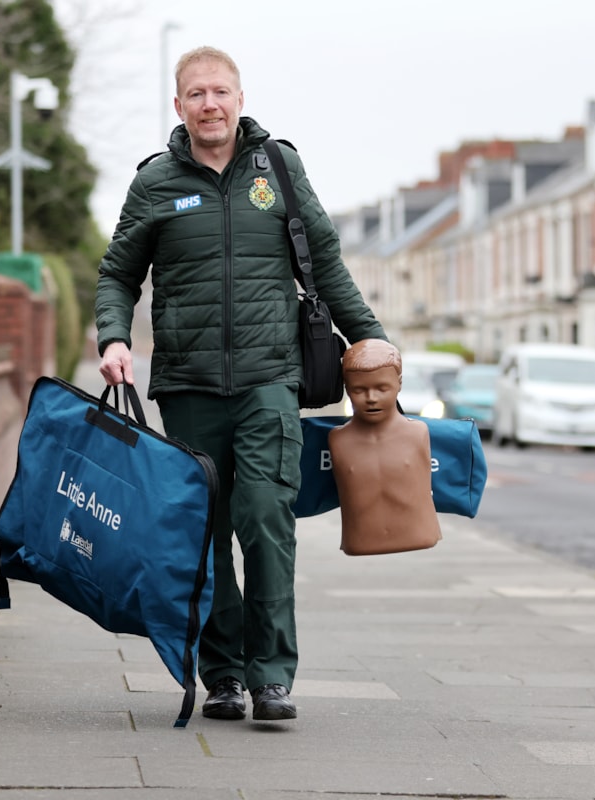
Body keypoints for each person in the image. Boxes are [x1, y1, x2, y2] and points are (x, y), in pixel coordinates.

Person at [94, 46, 386, 722]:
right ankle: (222, 673)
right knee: (207, 529)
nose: (210, 104)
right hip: (189, 386)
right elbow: (117, 274)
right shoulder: (156, 183)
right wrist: (112, 337)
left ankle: (272, 675)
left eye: (220, 91)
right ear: (179, 107)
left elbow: (326, 263)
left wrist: (370, 334)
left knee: (263, 516)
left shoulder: (278, 169)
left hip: (269, 380)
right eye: (196, 94)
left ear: (240, 98)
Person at [329, 339, 441, 555]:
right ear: (347, 388)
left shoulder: (418, 432)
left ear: (399, 383)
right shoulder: (337, 439)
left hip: (419, 533)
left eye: (382, 388)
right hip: (358, 540)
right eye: (359, 390)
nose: (371, 398)